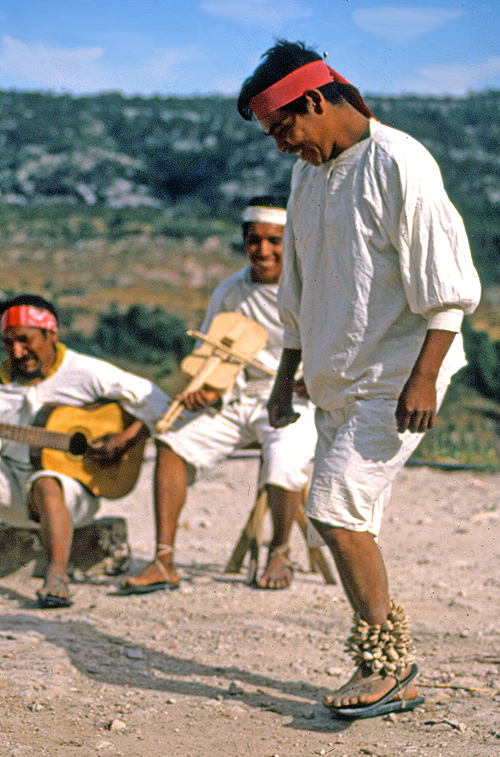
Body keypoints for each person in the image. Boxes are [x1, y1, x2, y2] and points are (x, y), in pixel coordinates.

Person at [237, 41, 481, 719]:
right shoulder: (308, 178)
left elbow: (449, 288)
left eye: (285, 127)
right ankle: (385, 659)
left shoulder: (398, 160)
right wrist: (287, 378)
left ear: (315, 100)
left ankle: (389, 665)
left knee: (333, 507)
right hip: (338, 381)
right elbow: (300, 291)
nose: (284, 145)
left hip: (398, 378)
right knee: (350, 517)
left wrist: (424, 377)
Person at [120, 196, 317, 594]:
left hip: (294, 400)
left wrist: (315, 379)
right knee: (172, 443)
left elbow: (337, 348)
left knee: (282, 456)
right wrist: (203, 390)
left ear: (291, 242)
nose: (263, 250)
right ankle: (164, 560)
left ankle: (280, 551)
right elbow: (209, 356)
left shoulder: (312, 288)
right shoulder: (229, 291)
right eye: (254, 240)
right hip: (236, 398)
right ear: (244, 242)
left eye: (275, 241)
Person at [0, 294, 171, 608]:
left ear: (51, 334)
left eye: (25, 340)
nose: (16, 352)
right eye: (8, 343)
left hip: (74, 495)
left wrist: (127, 439)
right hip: (10, 492)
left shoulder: (85, 371)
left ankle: (57, 577)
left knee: (46, 480)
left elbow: (160, 403)